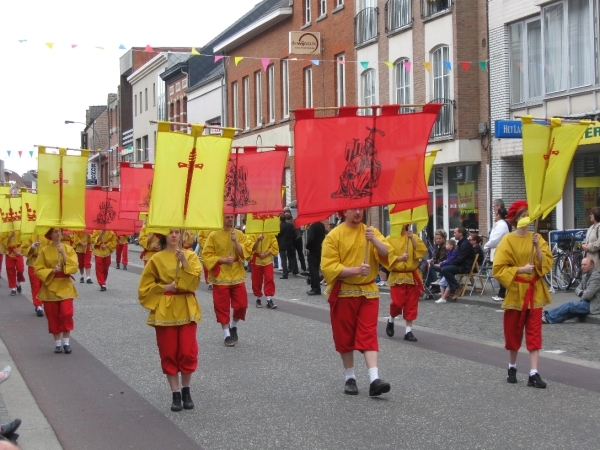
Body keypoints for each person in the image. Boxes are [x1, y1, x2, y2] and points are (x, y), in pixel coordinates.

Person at [321, 208, 393, 397]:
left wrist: (375, 240)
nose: (358, 212)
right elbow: (328, 267)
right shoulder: (334, 236)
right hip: (344, 292)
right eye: (354, 209)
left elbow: (388, 254)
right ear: (344, 212)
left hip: (368, 293)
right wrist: (355, 270)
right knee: (344, 336)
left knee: (368, 332)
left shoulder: (371, 231)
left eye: (361, 209)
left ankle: (374, 379)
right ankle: (349, 377)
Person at [138, 229, 202, 412]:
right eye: (170, 233)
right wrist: (167, 287)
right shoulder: (156, 259)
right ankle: (175, 393)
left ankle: (186, 390)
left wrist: (184, 262)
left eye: (177, 232)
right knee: (168, 352)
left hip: (186, 307)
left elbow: (196, 281)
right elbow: (144, 288)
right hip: (165, 310)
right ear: (164, 236)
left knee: (188, 352)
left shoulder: (191, 256)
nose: (174, 235)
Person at [493, 200, 553, 389]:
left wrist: (536, 247)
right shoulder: (508, 240)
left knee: (535, 333)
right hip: (516, 293)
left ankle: (534, 373)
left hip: (534, 292)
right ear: (515, 218)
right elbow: (499, 268)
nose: (525, 219)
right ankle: (512, 367)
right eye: (522, 215)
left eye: (527, 215)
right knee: (513, 331)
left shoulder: (536, 237)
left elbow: (545, 264)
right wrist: (520, 269)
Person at [202, 214, 252, 347]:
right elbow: (206, 255)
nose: (230, 219)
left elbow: (245, 252)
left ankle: (233, 326)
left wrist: (236, 241)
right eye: (227, 217)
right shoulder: (213, 235)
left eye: (232, 217)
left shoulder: (239, 234)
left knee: (242, 304)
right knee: (222, 306)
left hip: (236, 274)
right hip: (221, 276)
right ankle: (226, 334)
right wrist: (222, 259)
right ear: (222, 218)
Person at [34, 228, 78, 354]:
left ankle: (66, 342)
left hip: (65, 286)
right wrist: (52, 271)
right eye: (55, 232)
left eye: (59, 231)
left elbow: (74, 266)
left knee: (66, 313)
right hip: (50, 286)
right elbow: (38, 268)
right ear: (50, 234)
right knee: (52, 315)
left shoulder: (68, 248)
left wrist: (63, 254)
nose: (58, 234)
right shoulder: (45, 250)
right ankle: (57, 344)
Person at [384, 224, 428, 342]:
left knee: (411, 304)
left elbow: (421, 252)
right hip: (398, 275)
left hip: (412, 275)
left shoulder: (413, 236)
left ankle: (408, 331)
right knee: (397, 303)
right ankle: (391, 319)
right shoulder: (389, 239)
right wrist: (399, 258)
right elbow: (385, 256)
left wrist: (412, 238)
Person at [542, 257, 600, 324]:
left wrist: (582, 293)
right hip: (585, 302)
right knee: (569, 314)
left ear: (592, 265)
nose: (583, 266)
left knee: (570, 305)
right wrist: (582, 292)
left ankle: (546, 315)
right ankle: (548, 319)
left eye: (585, 265)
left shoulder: (596, 277)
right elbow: (577, 289)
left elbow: (587, 296)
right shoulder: (585, 275)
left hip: (593, 305)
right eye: (582, 265)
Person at [439, 227, 475, 300]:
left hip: (464, 267)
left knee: (445, 269)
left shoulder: (465, 244)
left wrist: (447, 264)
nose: (454, 234)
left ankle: (457, 287)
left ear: (460, 234)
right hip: (460, 264)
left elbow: (460, 259)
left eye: (455, 232)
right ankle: (449, 287)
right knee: (439, 268)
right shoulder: (462, 242)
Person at [484, 205, 511, 301]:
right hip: (497, 250)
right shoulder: (500, 224)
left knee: (500, 273)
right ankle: (502, 293)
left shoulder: (501, 225)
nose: (494, 216)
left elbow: (495, 239)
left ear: (498, 215)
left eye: (495, 214)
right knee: (499, 273)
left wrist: (487, 245)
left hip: (500, 252)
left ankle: (503, 294)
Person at [248, 233, 278, 309]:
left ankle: (269, 299)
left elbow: (274, 246)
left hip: (267, 259)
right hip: (256, 259)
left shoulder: (270, 233)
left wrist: (265, 254)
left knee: (269, 278)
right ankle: (258, 298)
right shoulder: (252, 233)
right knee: (256, 280)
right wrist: (258, 240)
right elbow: (250, 247)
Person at [22, 233, 48, 317]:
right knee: (35, 285)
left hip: (45, 264)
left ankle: (45, 303)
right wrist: (33, 246)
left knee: (45, 285)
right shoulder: (29, 233)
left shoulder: (47, 232)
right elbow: (24, 249)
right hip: (33, 264)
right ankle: (38, 305)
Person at [305, 220, 326, 295]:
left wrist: (308, 247)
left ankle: (315, 288)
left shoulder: (313, 226)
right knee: (316, 269)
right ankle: (315, 287)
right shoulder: (322, 225)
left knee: (313, 269)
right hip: (320, 249)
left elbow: (311, 238)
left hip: (313, 250)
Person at [1, 232, 25, 296]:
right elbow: (2, 241)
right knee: (10, 270)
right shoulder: (6, 228)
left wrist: (21, 250)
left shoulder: (20, 226)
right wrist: (10, 236)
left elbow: (25, 240)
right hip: (9, 252)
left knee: (20, 269)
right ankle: (13, 288)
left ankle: (18, 283)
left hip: (18, 251)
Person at [434, 239, 458, 304]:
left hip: (450, 269)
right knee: (441, 283)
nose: (445, 246)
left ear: (451, 246)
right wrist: (442, 263)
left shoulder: (454, 252)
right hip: (447, 268)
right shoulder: (449, 252)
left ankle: (444, 297)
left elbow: (450, 260)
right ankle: (442, 297)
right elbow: (447, 260)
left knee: (447, 283)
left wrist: (441, 264)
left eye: (447, 244)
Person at [277, 213, 297, 279]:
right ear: (285, 219)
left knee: (283, 259)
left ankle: (285, 274)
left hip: (282, 244)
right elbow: (295, 234)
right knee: (293, 257)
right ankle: (294, 270)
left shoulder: (278, 226)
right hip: (290, 243)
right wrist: (292, 240)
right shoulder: (290, 225)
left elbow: (277, 236)